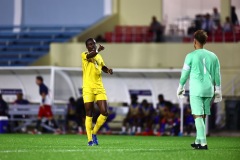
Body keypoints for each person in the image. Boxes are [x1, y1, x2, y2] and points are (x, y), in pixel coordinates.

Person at [177, 30, 222, 150]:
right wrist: (218, 89)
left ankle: (203, 143)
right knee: (203, 116)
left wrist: (181, 86)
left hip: (196, 89)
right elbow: (217, 74)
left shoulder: (190, 56)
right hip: (209, 89)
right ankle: (198, 140)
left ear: (195, 41)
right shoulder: (213, 56)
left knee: (197, 116)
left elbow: (185, 73)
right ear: (205, 41)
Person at [81, 38, 113, 146]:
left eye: (93, 44)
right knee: (89, 113)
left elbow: (102, 66)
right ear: (87, 47)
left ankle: (94, 133)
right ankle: (90, 140)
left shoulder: (99, 56)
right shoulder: (84, 55)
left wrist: (108, 70)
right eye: (90, 44)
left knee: (104, 112)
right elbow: (90, 56)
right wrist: (98, 50)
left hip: (99, 87)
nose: (92, 46)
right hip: (88, 88)